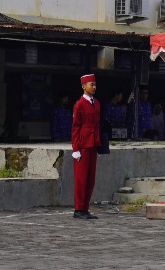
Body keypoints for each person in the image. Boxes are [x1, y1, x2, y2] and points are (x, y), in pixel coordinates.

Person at [71, 74, 102, 220]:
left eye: (95, 84)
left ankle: (85, 208)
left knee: (91, 179)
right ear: (83, 86)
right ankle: (78, 209)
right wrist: (75, 149)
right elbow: (75, 127)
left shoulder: (96, 103)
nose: (94, 87)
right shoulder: (79, 104)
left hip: (93, 143)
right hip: (83, 144)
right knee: (81, 179)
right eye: (91, 84)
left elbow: (97, 125)